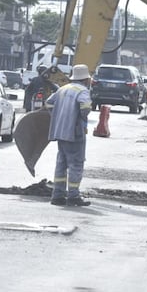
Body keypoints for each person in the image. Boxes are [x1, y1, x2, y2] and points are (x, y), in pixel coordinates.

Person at [46, 64, 93, 207]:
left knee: (61, 163)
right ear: (85, 79)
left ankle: (57, 196)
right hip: (74, 133)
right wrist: (80, 118)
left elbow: (48, 103)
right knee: (76, 164)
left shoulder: (62, 89)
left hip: (60, 132)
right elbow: (85, 108)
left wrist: (59, 117)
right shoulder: (83, 91)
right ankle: (73, 196)